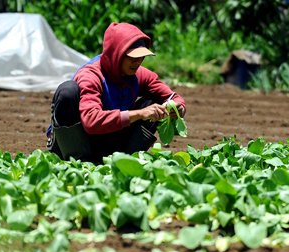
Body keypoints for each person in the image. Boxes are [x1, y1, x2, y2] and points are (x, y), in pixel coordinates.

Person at [46, 22, 186, 164]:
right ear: (116, 54)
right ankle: (77, 159)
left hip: (110, 140)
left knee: (155, 101)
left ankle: (124, 160)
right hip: (81, 140)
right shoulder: (91, 75)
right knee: (67, 91)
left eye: (141, 57)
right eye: (132, 57)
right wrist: (140, 113)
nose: (137, 62)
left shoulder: (139, 74)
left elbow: (172, 96)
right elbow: (91, 121)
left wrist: (177, 107)